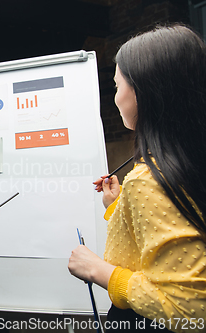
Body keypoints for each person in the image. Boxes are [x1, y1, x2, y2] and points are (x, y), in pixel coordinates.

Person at [68, 24, 206, 333]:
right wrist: (119, 206)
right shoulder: (189, 162)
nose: (116, 98)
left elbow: (190, 308)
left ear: (144, 91)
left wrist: (98, 270)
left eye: (117, 86)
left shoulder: (149, 180)